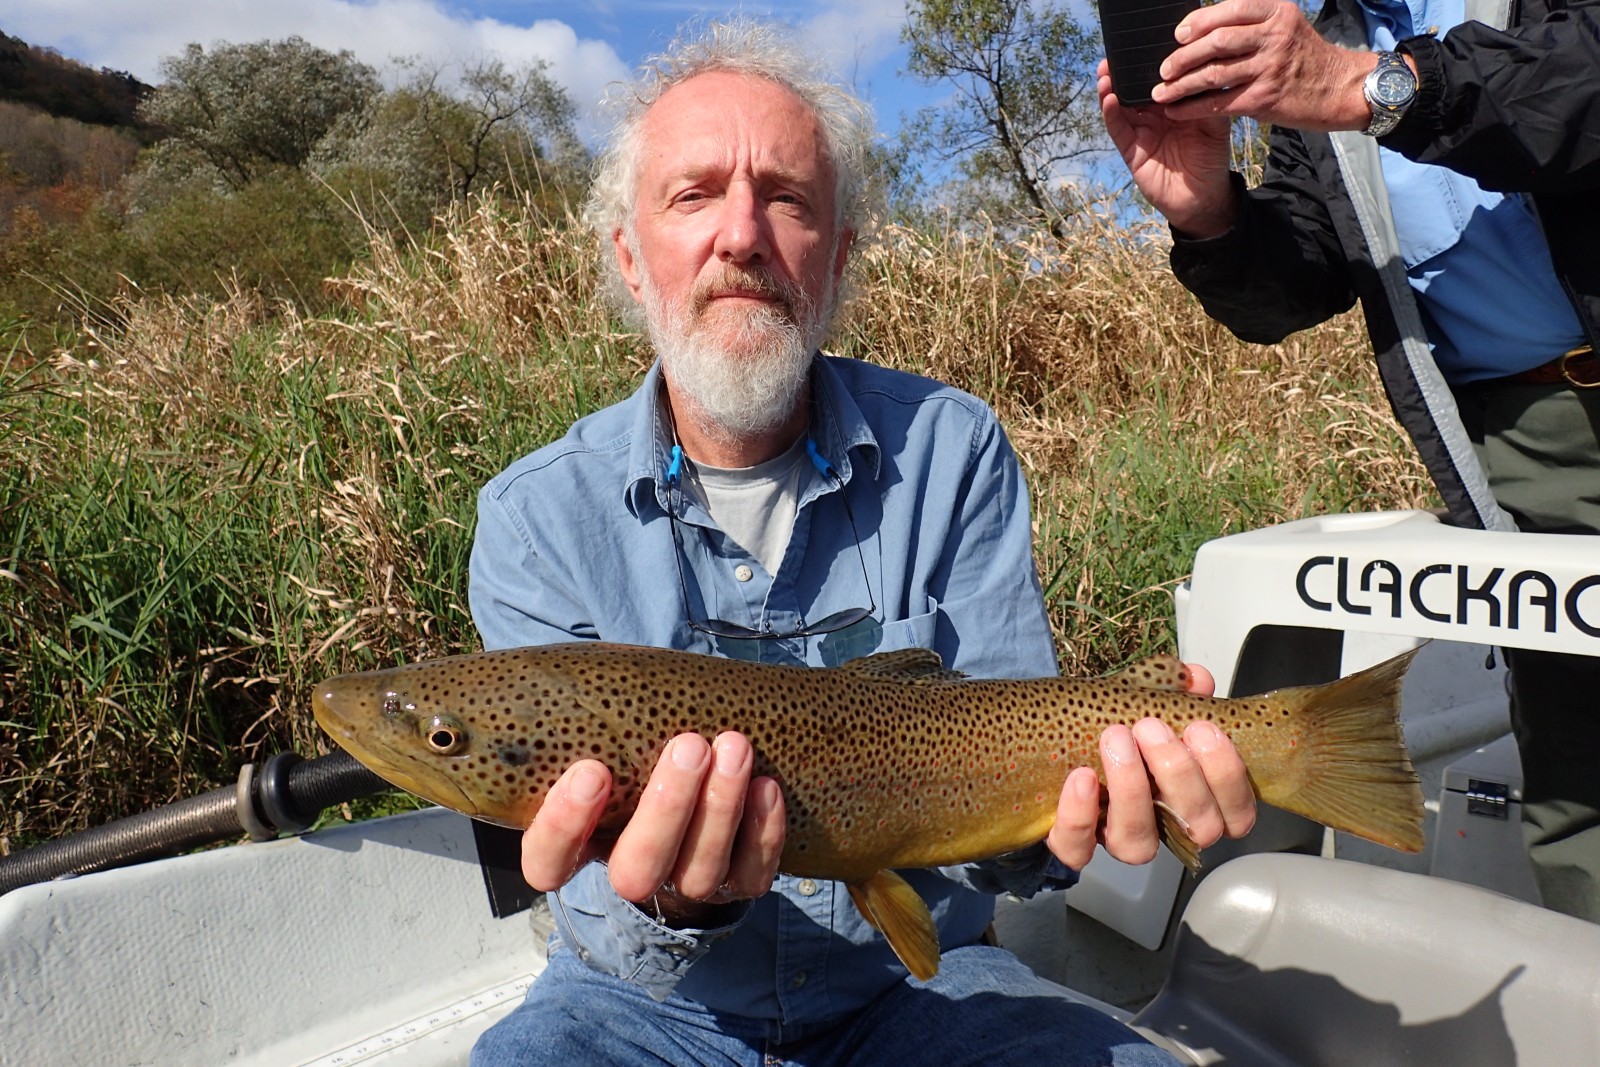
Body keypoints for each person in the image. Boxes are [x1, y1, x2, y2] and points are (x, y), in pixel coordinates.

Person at [466, 17, 1258, 1067]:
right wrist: (673, 895)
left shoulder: (951, 446)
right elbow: (585, 886)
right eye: (693, 194)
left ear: (836, 256)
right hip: (638, 1005)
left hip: (919, 984)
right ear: (629, 253)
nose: (741, 235)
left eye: (786, 198)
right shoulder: (531, 518)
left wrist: (1074, 811)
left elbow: (1014, 850)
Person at [1098, 0, 1600, 921]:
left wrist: (1367, 86)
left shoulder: (1330, 57)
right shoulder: (1322, 33)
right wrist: (1209, 211)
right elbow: (1293, 283)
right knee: (1580, 773)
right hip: (1516, 438)